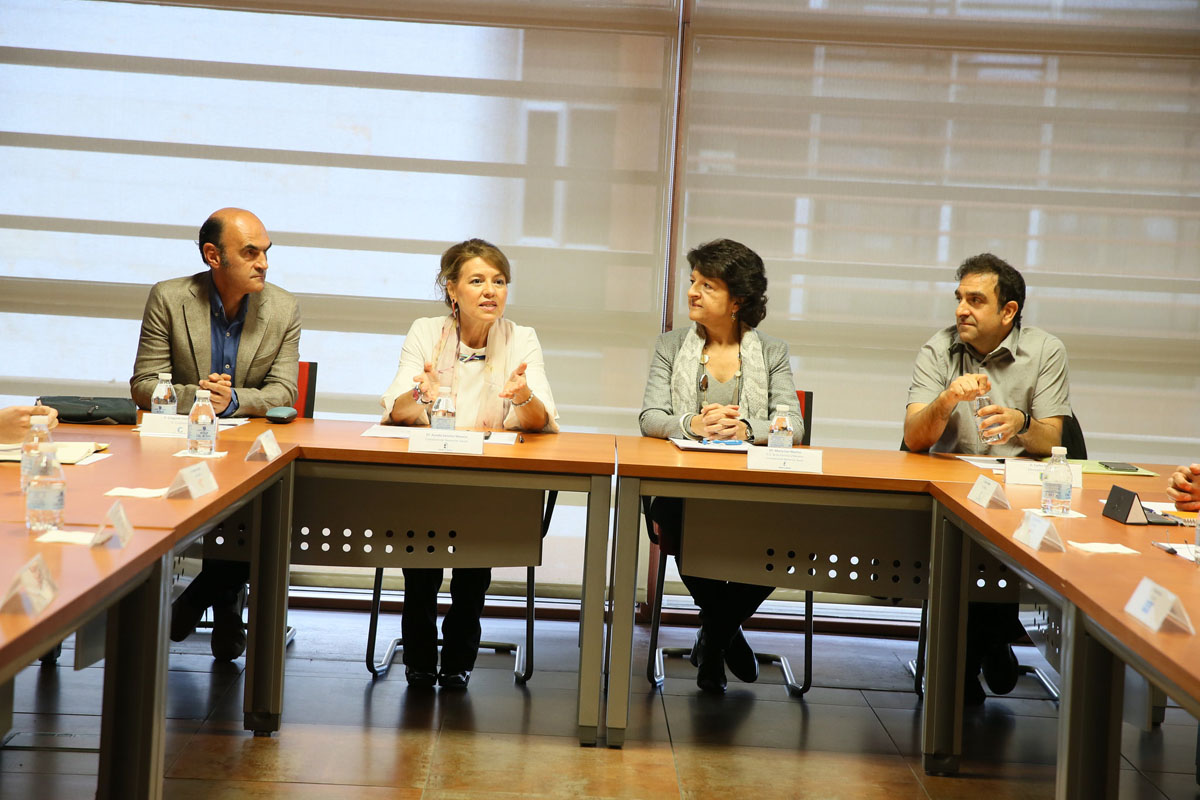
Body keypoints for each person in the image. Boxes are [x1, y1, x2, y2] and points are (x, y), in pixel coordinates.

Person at [380, 238, 558, 689]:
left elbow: (542, 422)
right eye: (477, 280)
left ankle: (459, 662)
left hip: (489, 482)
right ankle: (419, 662)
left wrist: (523, 396)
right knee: (420, 570)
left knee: (472, 576)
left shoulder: (521, 338)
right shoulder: (425, 332)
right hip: (428, 478)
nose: (490, 291)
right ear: (451, 288)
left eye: (499, 281)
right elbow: (397, 413)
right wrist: (422, 391)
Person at [131, 207, 301, 661]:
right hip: (180, 446)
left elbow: (285, 390)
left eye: (266, 252)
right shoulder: (170, 297)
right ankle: (225, 603)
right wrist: (200, 398)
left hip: (249, 449)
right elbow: (145, 384)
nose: (263, 262)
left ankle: (201, 599)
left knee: (259, 507)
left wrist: (232, 401)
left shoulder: (282, 307)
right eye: (250, 252)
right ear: (213, 255)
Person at [904, 253, 1072, 705]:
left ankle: (985, 644)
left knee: (998, 549)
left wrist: (1020, 421)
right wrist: (943, 403)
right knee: (962, 547)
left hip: (1019, 494)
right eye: (959, 298)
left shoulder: (1044, 350)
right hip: (950, 489)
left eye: (975, 300)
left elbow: (1053, 437)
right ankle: (991, 642)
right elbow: (914, 439)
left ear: (1008, 311)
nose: (961, 309)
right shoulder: (938, 349)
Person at [639, 238, 804, 693]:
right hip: (684, 490)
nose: (692, 292)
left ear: (738, 300)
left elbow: (794, 422)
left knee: (788, 543)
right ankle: (721, 637)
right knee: (681, 522)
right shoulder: (671, 346)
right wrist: (693, 424)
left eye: (707, 285)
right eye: (692, 282)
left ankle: (716, 634)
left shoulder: (772, 351)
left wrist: (747, 430)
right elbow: (651, 417)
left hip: (757, 491)